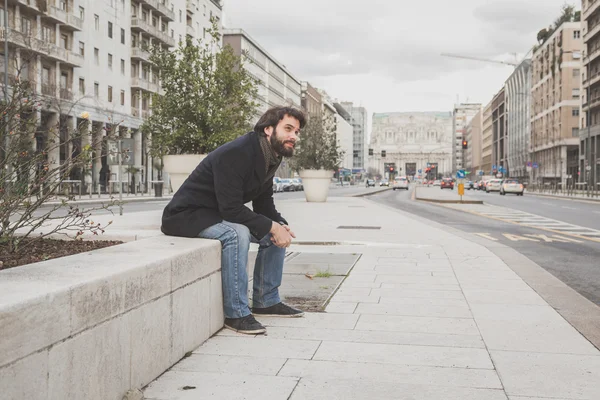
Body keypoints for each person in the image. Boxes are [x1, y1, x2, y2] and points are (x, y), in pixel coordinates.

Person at [161, 106, 307, 335]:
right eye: (288, 129)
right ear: (268, 129)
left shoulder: (271, 155)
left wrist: (279, 223)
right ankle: (236, 315)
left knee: (274, 231)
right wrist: (271, 225)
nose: (293, 136)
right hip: (186, 215)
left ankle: (266, 301)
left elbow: (264, 203)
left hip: (216, 213)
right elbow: (231, 209)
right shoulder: (238, 152)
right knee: (236, 233)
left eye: (297, 132)